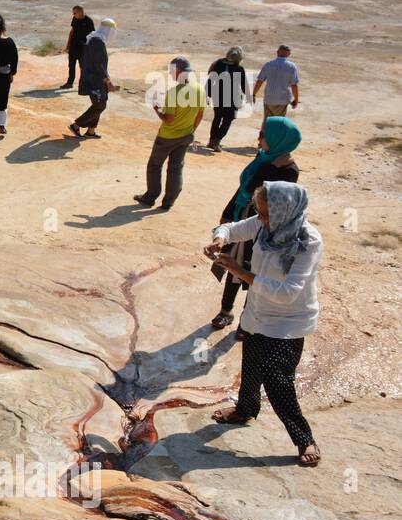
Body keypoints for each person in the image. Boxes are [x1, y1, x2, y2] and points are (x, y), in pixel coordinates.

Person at [205, 181, 322, 467]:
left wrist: (239, 271)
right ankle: (245, 410)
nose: (262, 219)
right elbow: (231, 229)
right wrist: (220, 239)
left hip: (288, 320)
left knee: (276, 378)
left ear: (285, 211)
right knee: (252, 361)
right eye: (260, 212)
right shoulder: (262, 224)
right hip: (258, 311)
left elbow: (288, 292)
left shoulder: (308, 241)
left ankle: (303, 437)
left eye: (267, 214)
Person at [211, 116, 301, 331]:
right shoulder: (263, 158)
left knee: (255, 271)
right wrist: (228, 213)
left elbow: (273, 204)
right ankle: (226, 310)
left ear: (278, 140)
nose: (259, 138)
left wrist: (271, 166)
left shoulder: (288, 171)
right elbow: (243, 188)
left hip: (263, 226)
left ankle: (247, 319)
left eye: (263, 135)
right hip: (243, 217)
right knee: (232, 264)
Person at [134, 56, 206, 210]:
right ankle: (169, 201)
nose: (171, 74)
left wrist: (157, 111)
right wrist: (191, 130)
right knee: (176, 168)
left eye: (172, 71)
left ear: (179, 71)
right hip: (186, 136)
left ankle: (150, 197)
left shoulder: (174, 92)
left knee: (154, 165)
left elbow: (169, 119)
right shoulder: (200, 89)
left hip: (167, 137)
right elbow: (200, 114)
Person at [66, 17, 119, 138]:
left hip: (95, 78)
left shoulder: (94, 38)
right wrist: (108, 81)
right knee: (100, 105)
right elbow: (99, 64)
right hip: (95, 80)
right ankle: (76, 125)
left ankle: (91, 131)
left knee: (99, 103)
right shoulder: (97, 42)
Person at [205, 45, 249, 152]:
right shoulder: (239, 68)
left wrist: (208, 93)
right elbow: (244, 84)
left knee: (218, 117)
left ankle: (212, 140)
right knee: (228, 119)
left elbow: (211, 79)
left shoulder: (218, 63)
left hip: (218, 95)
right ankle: (216, 141)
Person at [252, 44, 299, 137]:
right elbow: (294, 85)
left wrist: (253, 94)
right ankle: (274, 142)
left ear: (277, 52)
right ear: (289, 54)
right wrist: (296, 99)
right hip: (283, 99)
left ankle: (262, 142)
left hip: (269, 98)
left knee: (267, 120)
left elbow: (260, 80)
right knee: (279, 122)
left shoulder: (269, 64)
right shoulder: (291, 66)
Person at [59, 5, 94, 89]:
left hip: (83, 48)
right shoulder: (75, 19)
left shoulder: (89, 21)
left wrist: (90, 49)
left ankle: (84, 84)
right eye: (73, 13)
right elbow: (72, 32)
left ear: (81, 12)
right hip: (73, 46)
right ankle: (69, 83)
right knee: (71, 66)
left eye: (75, 13)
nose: (73, 14)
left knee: (83, 67)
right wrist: (68, 45)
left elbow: (92, 35)